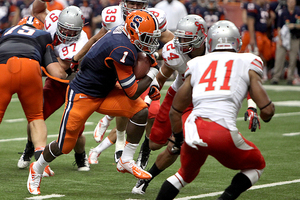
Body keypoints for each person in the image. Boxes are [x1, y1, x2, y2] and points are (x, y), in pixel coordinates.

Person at [27, 9, 162, 195]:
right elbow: (131, 92)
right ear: (133, 33)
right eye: (147, 37)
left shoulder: (127, 35)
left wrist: (152, 80)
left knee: (141, 111)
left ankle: (126, 159)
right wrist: (154, 74)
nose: (151, 42)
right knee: (64, 146)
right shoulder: (122, 47)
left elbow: (142, 61)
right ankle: (37, 168)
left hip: (106, 91)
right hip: (83, 94)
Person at [155, 20, 275, 200]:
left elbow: (175, 110)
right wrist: (264, 108)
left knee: (183, 176)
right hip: (221, 130)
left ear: (209, 42)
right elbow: (266, 111)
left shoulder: (197, 63)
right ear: (237, 42)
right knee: (257, 165)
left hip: (193, 129)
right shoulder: (249, 60)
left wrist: (179, 138)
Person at [76, 0, 174, 164]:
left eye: (139, 4)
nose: (134, 7)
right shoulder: (113, 16)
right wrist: (76, 59)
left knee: (145, 110)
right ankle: (117, 134)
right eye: (132, 3)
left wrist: (155, 56)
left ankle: (115, 128)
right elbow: (96, 39)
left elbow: (173, 43)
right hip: (117, 65)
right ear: (123, 3)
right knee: (125, 95)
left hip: (139, 66)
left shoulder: (154, 18)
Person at [17, 0, 90, 172]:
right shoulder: (54, 18)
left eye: (72, 31)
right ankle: (29, 148)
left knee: (76, 127)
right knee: (36, 114)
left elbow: (62, 68)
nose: (66, 33)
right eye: (64, 28)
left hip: (75, 82)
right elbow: (38, 10)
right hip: (56, 81)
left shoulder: (81, 42)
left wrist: (39, 54)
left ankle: (80, 156)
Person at [0, 16, 67, 177]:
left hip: (2, 67)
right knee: (36, 117)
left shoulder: (5, 32)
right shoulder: (43, 35)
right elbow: (57, 72)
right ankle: (40, 164)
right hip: (30, 67)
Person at [270, 0, 300, 85]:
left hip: (294, 37)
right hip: (283, 37)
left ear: (295, 2)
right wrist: (279, 39)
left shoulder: (298, 11)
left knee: (293, 58)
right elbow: (279, 27)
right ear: (287, 3)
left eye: (293, 2)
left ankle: (290, 78)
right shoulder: (282, 12)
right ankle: (276, 77)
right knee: (279, 57)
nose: (291, 3)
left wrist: (294, 25)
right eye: (290, 2)